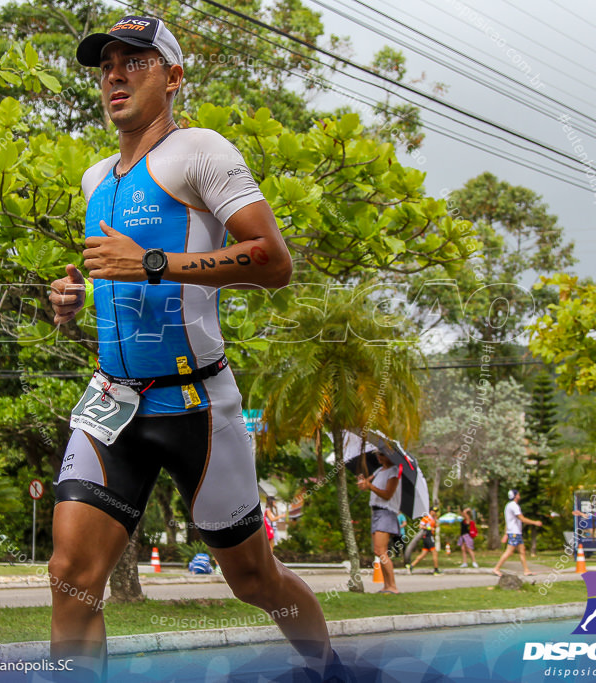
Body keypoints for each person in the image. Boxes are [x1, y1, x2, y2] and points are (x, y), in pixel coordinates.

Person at [47, 16, 350, 682]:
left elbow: (273, 260)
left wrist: (154, 262)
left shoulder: (202, 152)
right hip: (113, 401)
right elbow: (110, 270)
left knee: (253, 577)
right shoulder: (97, 177)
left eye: (136, 62)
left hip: (197, 405)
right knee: (70, 574)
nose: (116, 76)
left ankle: (330, 668)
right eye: (107, 67)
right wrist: (72, 293)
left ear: (174, 77)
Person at [357, 451, 402, 593]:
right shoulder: (379, 470)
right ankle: (386, 585)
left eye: (382, 454)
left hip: (386, 512)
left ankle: (392, 586)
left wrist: (370, 487)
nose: (379, 456)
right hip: (376, 512)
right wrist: (364, 483)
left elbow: (388, 494)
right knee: (378, 551)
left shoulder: (393, 472)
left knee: (381, 550)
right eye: (378, 454)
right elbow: (368, 483)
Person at [492, 490, 542, 577]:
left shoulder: (508, 505)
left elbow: (508, 522)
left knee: (522, 551)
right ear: (515, 496)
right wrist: (535, 522)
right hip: (514, 533)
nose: (519, 495)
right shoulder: (514, 506)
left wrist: (506, 533)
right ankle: (496, 568)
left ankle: (526, 570)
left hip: (515, 532)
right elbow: (522, 519)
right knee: (509, 552)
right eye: (518, 494)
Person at [407, 506, 441, 575]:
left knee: (423, 554)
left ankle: (411, 566)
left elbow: (433, 526)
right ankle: (436, 570)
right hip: (428, 536)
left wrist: (434, 526)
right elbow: (421, 526)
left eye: (436, 512)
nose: (435, 513)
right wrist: (429, 528)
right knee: (434, 552)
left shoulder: (433, 519)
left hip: (429, 536)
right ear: (430, 511)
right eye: (434, 511)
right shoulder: (426, 518)